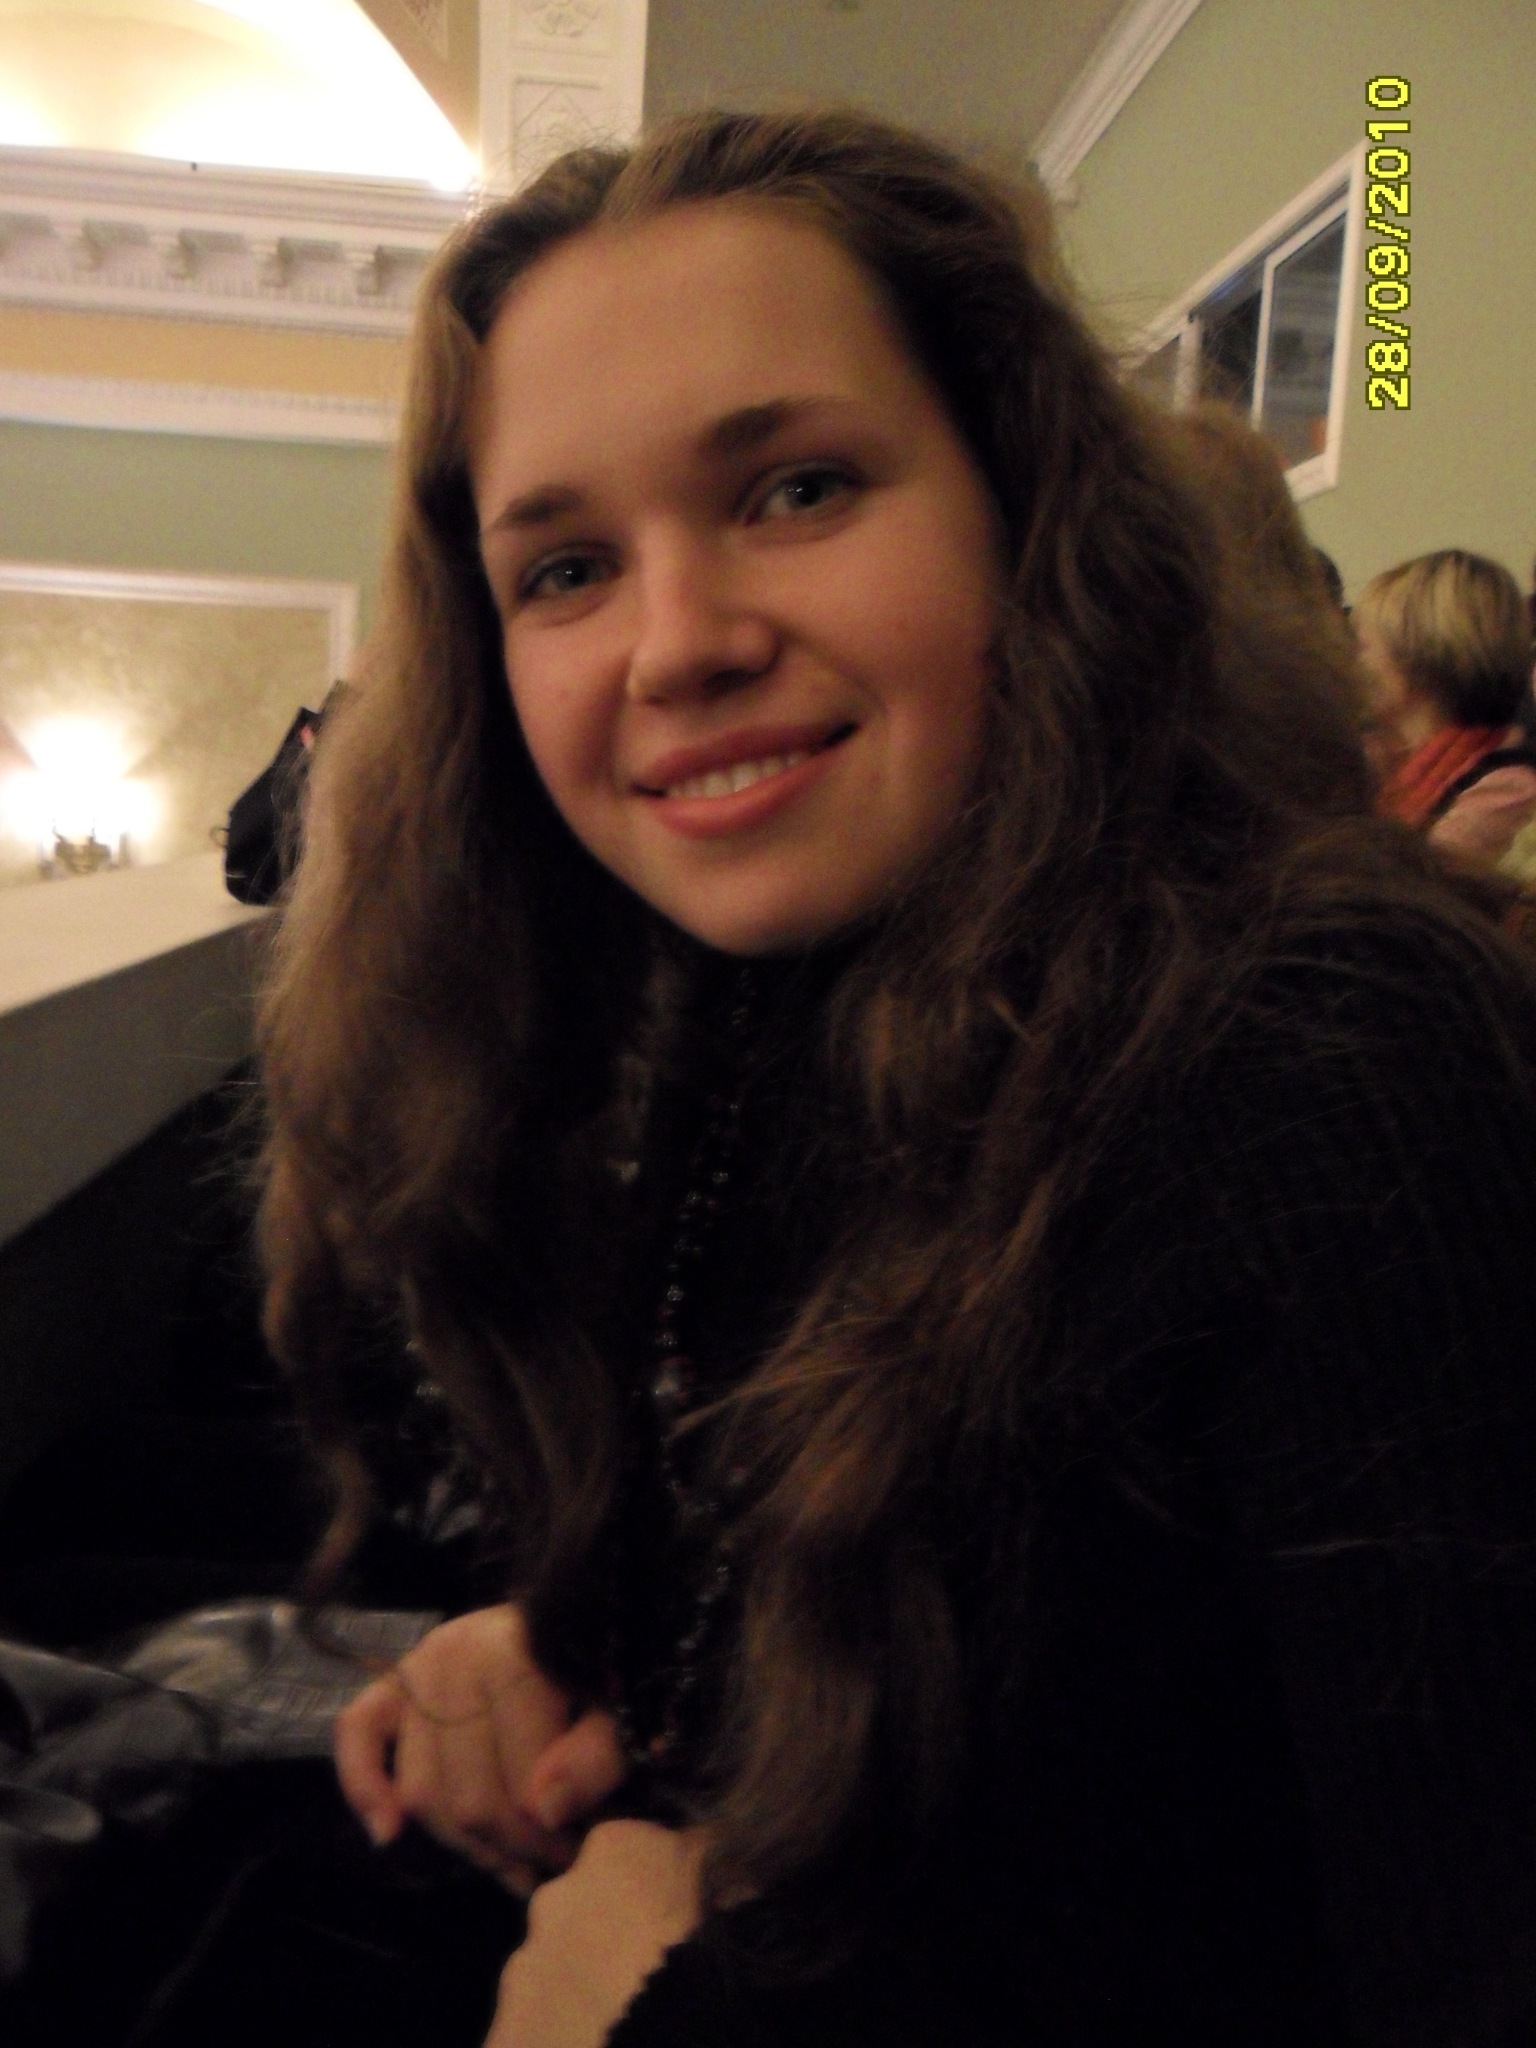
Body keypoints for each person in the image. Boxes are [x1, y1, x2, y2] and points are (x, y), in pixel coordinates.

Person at [256, 111, 1536, 2048]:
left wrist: (667, 2010)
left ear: (1025, 508)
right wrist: (601, 1669)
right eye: (569, 566)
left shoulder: (1322, 1045)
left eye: (798, 487)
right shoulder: (738, 1034)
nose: (678, 644)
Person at [1354, 547, 1536, 863]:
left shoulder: (1502, 787)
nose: (1346, 661)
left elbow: (1413, 885)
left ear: (1422, 659)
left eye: (1361, 645)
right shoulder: (1367, 757)